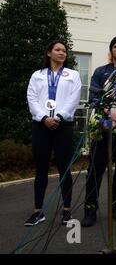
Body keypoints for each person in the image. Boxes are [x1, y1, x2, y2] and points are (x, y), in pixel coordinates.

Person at [81, 35, 116, 227]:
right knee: (94, 171)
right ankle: (90, 208)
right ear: (111, 50)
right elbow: (93, 98)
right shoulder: (100, 72)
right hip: (103, 129)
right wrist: (109, 112)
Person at [25, 40, 82, 226]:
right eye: (57, 50)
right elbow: (31, 98)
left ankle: (66, 210)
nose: (62, 53)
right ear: (49, 53)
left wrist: (58, 117)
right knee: (41, 168)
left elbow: (74, 99)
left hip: (62, 125)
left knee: (64, 168)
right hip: (41, 126)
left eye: (64, 50)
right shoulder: (38, 75)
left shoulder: (72, 75)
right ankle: (37, 211)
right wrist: (43, 118)